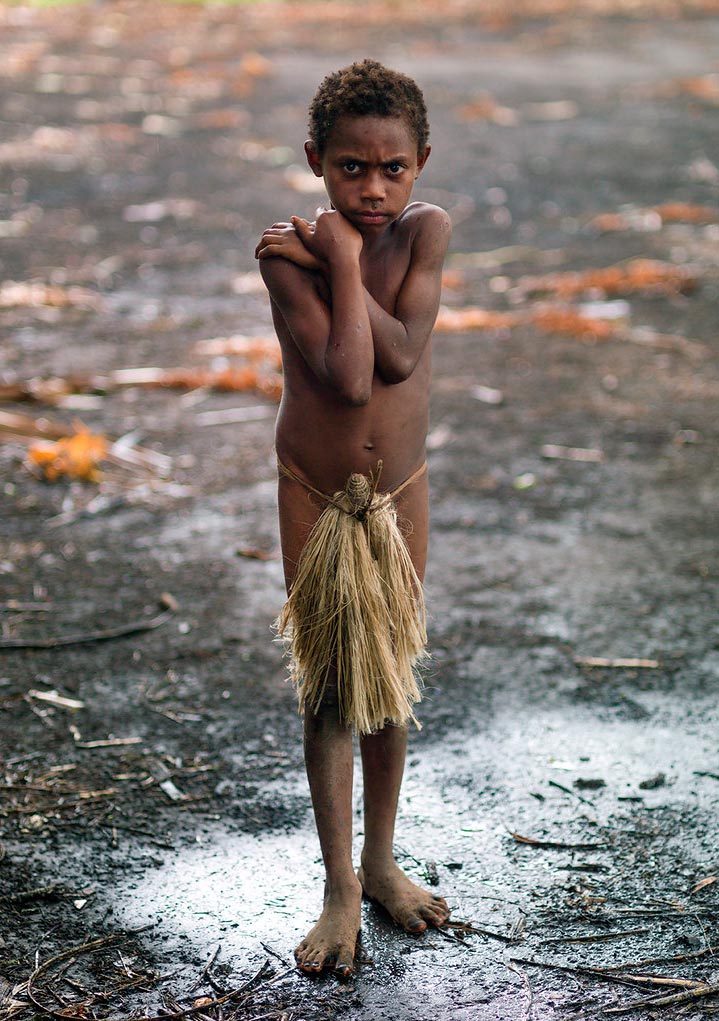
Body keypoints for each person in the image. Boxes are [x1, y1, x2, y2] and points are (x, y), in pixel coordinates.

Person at [255, 58, 452, 978]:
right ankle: (339, 886)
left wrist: (336, 255)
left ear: (420, 162)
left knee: (388, 672)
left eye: (392, 168)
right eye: (348, 169)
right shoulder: (277, 255)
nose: (372, 189)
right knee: (333, 682)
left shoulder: (424, 235)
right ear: (314, 161)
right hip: (319, 491)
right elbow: (344, 375)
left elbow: (402, 355)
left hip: (399, 488)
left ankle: (380, 860)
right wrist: (325, 256)